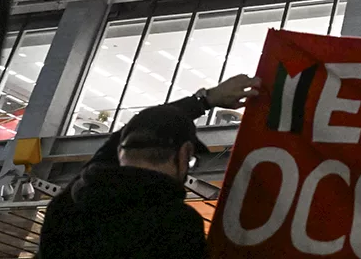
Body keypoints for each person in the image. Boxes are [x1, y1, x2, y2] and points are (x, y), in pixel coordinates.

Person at [38, 74, 261, 259]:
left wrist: (205, 100)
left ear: (120, 151)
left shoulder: (67, 209)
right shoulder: (175, 225)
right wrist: (205, 100)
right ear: (184, 154)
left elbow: (129, 133)